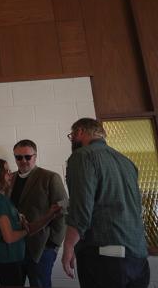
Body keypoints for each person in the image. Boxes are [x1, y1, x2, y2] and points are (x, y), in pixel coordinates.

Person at [62, 118, 150, 288]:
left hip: (104, 259)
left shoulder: (82, 156)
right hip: (138, 256)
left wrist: (68, 247)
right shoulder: (126, 162)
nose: (72, 140)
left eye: (71, 136)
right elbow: (137, 206)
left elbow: (81, 211)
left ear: (79, 132)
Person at [0, 159, 60, 287]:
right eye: (6, 171)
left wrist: (49, 216)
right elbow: (10, 237)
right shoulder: (0, 201)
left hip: (8, 260)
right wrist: (26, 231)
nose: (10, 174)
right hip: (7, 262)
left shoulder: (0, 199)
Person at [9, 139, 67, 288]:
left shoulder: (50, 177)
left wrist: (53, 244)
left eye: (27, 157)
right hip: (15, 246)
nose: (23, 161)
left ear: (35, 156)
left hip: (42, 247)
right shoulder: (9, 179)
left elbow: (63, 211)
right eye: (18, 157)